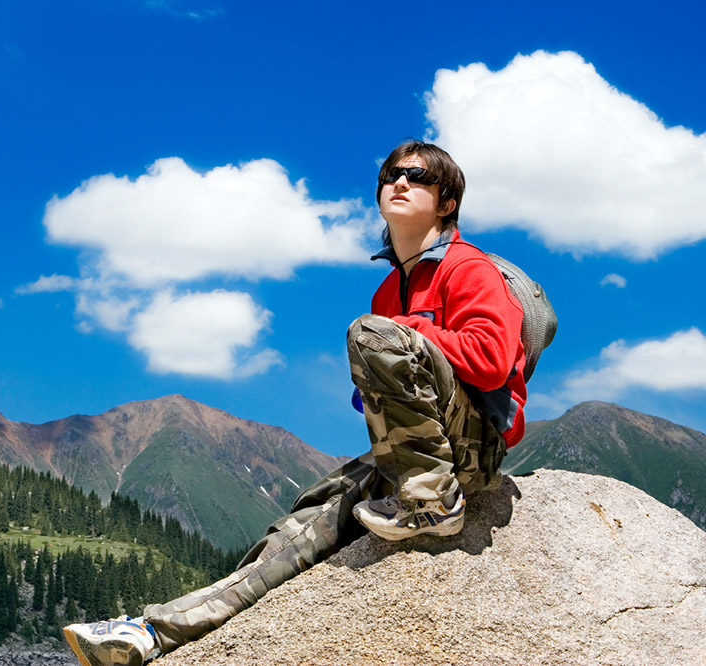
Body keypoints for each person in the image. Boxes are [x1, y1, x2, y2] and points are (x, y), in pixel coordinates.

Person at [63, 140, 526, 666]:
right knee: (301, 526)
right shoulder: (386, 292)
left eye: (418, 177)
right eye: (391, 174)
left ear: (446, 203)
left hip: (470, 450)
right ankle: (152, 632)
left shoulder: (469, 268)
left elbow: (491, 359)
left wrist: (406, 333)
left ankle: (435, 503)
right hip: (419, 450)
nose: (400, 182)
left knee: (372, 334)